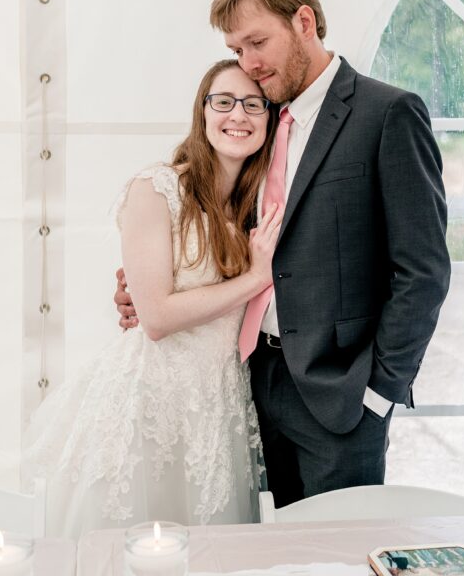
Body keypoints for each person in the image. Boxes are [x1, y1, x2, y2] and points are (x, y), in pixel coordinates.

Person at [116, 0, 451, 509]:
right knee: (267, 567)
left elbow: (424, 272)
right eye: (236, 48)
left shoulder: (387, 114)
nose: (247, 63)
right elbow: (217, 228)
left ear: (303, 21)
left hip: (340, 398)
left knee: (338, 568)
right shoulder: (258, 121)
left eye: (256, 42)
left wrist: (378, 391)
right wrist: (146, 283)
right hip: (245, 384)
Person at [25, 59, 281, 536]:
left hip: (219, 401)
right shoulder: (158, 189)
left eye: (253, 105)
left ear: (270, 117)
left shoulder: (255, 203)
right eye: (223, 102)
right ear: (202, 112)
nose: (238, 116)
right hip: (151, 401)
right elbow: (158, 316)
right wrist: (253, 277)